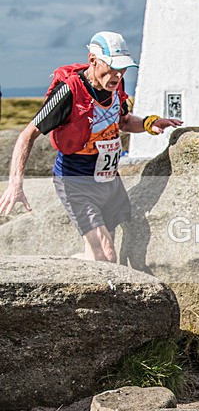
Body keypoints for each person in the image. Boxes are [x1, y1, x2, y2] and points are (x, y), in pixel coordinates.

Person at [0, 31, 182, 261]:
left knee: (99, 258)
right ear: (93, 60)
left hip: (109, 179)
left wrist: (148, 123)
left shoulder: (115, 85)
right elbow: (27, 135)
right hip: (77, 180)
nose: (117, 75)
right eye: (112, 67)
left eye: (123, 68)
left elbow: (123, 121)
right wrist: (15, 184)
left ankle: (67, 271)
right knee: (106, 254)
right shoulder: (68, 91)